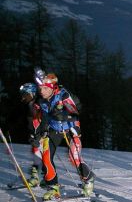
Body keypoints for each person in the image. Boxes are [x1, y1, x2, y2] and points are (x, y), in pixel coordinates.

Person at [37, 72, 95, 200]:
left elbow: (75, 112)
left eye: (45, 88)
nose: (42, 91)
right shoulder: (43, 101)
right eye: (40, 88)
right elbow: (45, 118)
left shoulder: (64, 95)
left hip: (70, 128)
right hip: (54, 129)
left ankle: (88, 179)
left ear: (52, 88)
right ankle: (53, 186)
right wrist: (42, 132)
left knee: (74, 157)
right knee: (46, 156)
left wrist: (64, 115)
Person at [19, 83, 44, 187]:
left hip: (42, 134)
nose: (23, 97)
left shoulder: (38, 103)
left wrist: (38, 135)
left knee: (42, 155)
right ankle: (36, 177)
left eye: (25, 94)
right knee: (36, 154)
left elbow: (42, 120)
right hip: (35, 134)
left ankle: (45, 177)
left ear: (31, 93)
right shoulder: (29, 104)